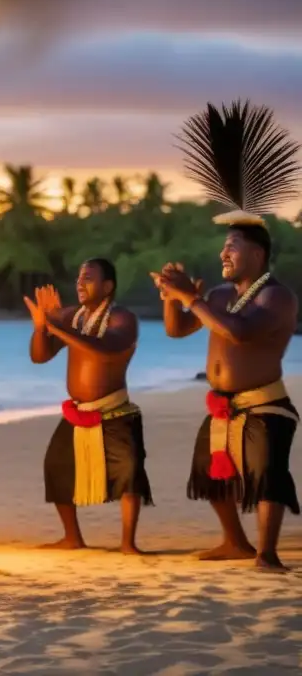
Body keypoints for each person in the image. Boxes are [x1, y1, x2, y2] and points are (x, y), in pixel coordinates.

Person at [153, 100, 300, 571]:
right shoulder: (215, 292)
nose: (224, 253)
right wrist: (170, 297)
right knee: (211, 476)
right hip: (221, 404)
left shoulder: (276, 297)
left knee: (265, 477)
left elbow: (238, 334)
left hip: (264, 404)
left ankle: (267, 552)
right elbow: (177, 332)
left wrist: (190, 298)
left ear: (257, 254)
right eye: (223, 247)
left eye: (232, 246)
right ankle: (234, 542)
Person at [24, 259, 152, 553]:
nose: (80, 283)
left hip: (114, 409)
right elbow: (39, 357)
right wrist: (42, 328)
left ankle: (127, 543)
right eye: (79, 278)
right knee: (56, 467)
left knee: (129, 471)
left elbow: (106, 351)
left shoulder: (123, 318)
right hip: (77, 411)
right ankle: (72, 537)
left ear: (107, 286)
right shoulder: (72, 316)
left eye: (89, 278)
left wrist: (57, 326)